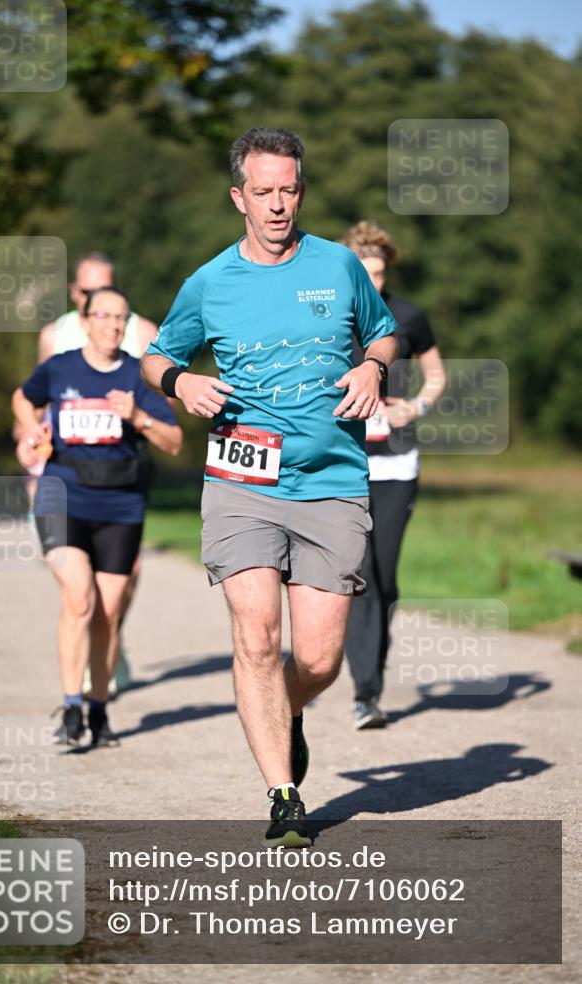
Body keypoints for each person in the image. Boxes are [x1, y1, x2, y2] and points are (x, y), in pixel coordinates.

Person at [142, 128, 397, 847]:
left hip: (331, 481)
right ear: (238, 198)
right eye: (263, 192)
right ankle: (283, 794)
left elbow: (381, 335)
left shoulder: (340, 266)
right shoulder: (210, 281)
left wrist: (372, 368)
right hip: (241, 479)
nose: (278, 204)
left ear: (300, 192)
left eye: (289, 189)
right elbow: (155, 356)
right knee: (256, 637)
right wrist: (180, 379)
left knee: (315, 660)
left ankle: (287, 714)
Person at [13, 287, 182, 747]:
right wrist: (31, 430)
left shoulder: (136, 376)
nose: (112, 324)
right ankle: (71, 706)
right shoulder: (60, 367)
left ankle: (99, 710)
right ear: (84, 320)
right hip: (62, 496)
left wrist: (139, 419)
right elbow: (22, 398)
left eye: (121, 318)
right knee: (80, 598)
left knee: (107, 614)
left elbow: (174, 441)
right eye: (104, 315)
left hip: (121, 505)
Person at [340, 221, 446, 730]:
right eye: (364, 272)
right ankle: (365, 692)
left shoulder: (407, 316)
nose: (373, 282)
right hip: (344, 461)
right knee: (358, 577)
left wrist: (417, 406)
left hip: (397, 463)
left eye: (379, 273)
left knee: (384, 577)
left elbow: (437, 375)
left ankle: (370, 678)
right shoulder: (331, 313)